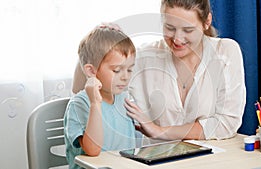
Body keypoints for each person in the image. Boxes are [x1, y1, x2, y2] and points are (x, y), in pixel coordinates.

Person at [72, 0, 246, 143]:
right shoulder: (144, 57)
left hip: (214, 160)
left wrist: (160, 131)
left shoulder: (225, 52)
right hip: (160, 162)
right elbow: (79, 90)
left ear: (206, 22)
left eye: (188, 30)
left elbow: (227, 123)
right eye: (169, 28)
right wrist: (96, 50)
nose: (177, 39)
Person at [64, 26, 136, 169]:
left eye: (129, 69)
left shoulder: (123, 99)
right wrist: (95, 103)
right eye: (117, 70)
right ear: (91, 71)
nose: (125, 76)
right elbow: (93, 150)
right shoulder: (79, 104)